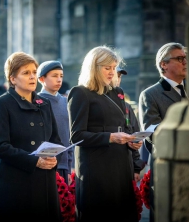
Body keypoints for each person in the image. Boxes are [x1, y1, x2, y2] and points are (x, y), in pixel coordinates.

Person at [67, 46, 142, 222]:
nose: (112, 72)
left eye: (114, 68)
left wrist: (133, 141)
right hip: (97, 170)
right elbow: (77, 136)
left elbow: (125, 126)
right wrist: (109, 137)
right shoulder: (80, 93)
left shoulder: (118, 93)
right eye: (107, 68)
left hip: (121, 166)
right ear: (94, 67)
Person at [0, 52, 62, 222]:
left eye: (34, 72)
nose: (32, 77)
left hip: (44, 179)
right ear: (12, 78)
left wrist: (53, 157)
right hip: (17, 181)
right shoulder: (1, 103)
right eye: (25, 73)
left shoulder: (44, 103)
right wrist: (34, 161)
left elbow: (55, 139)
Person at [138, 42, 187, 222]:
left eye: (186, 58)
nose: (186, 62)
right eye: (180, 58)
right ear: (163, 64)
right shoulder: (150, 94)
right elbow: (153, 133)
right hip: (168, 166)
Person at [37, 60, 73, 184]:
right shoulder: (37, 102)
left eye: (61, 76)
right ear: (41, 79)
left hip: (64, 166)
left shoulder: (65, 102)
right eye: (54, 76)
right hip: (45, 163)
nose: (59, 80)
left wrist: (69, 164)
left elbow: (69, 135)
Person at [116, 67, 146, 182]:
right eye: (115, 75)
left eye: (119, 76)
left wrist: (136, 168)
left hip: (126, 163)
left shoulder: (127, 106)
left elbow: (135, 134)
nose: (117, 79)